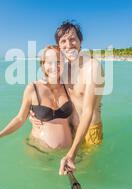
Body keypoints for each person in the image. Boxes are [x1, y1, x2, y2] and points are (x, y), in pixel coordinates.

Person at [30, 21, 105, 175]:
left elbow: (88, 111)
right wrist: (32, 114)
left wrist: (71, 153)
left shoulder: (93, 67)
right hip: (70, 129)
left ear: (80, 42)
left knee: (87, 173)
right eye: (63, 41)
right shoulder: (63, 68)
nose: (68, 45)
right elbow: (48, 94)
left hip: (89, 131)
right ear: (59, 46)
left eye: (72, 39)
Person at [0, 45, 75, 153]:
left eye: (58, 61)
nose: (54, 66)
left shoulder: (69, 87)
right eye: (50, 62)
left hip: (67, 152)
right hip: (39, 150)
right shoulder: (33, 89)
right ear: (43, 65)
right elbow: (20, 119)